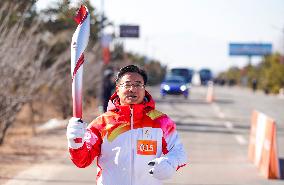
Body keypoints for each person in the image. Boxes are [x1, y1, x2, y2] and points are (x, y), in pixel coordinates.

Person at [67, 65, 187, 185]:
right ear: (118, 89)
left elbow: (179, 152)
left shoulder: (161, 122)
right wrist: (76, 144)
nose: (132, 89)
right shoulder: (101, 124)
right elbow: (82, 161)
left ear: (144, 89)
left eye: (138, 84)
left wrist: (170, 162)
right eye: (127, 84)